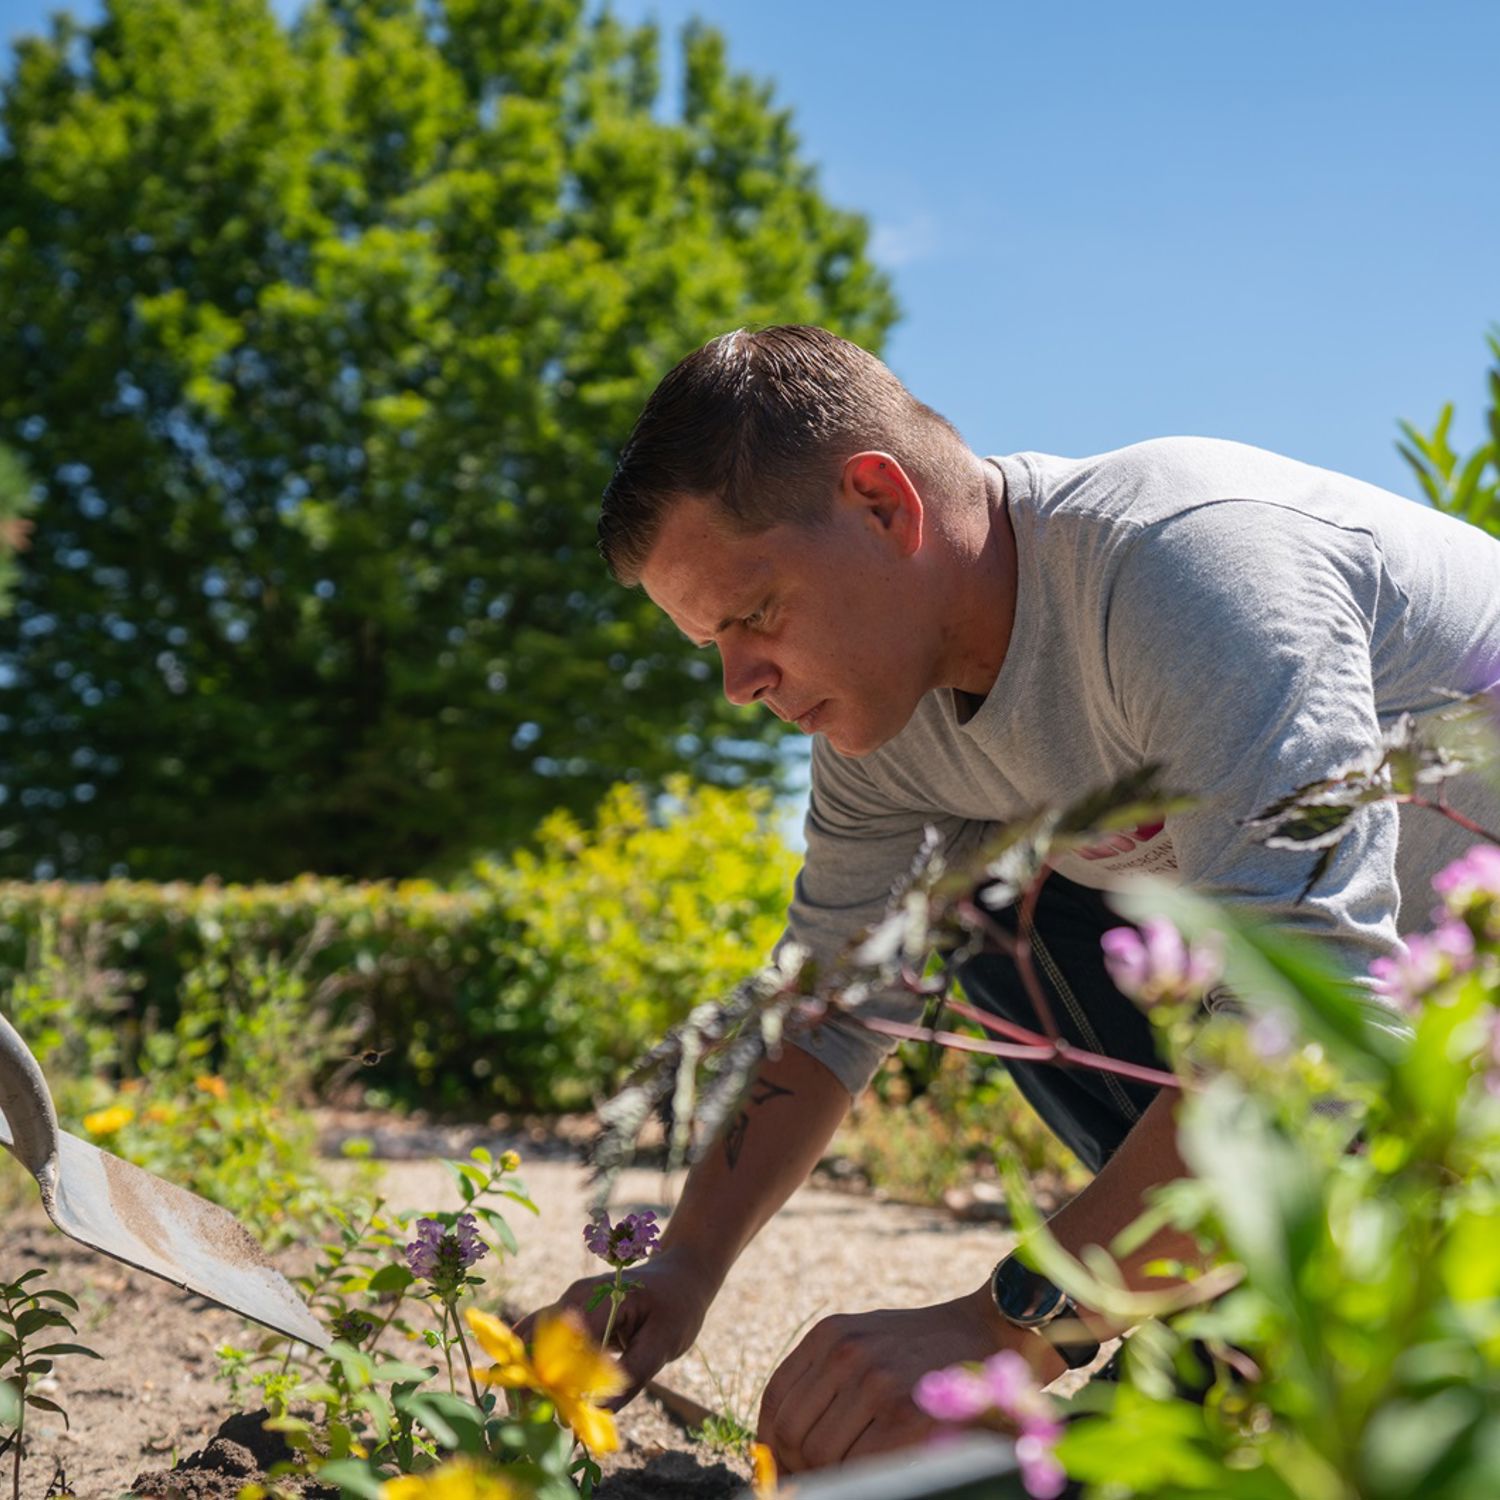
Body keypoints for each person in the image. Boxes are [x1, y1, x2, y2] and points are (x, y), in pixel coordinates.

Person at [524, 325, 1500, 1474]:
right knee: (984, 908)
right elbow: (834, 1008)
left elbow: (1314, 1033)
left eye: (753, 618)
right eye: (710, 646)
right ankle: (1254, 1327)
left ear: (884, 505)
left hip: (1411, 1051)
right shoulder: (886, 730)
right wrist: (683, 1266)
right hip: (1414, 1070)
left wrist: (1004, 1326)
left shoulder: (1187, 568)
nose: (740, 686)